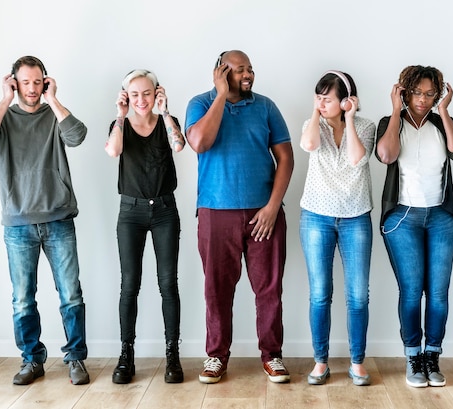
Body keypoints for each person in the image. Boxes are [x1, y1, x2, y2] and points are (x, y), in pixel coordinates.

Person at [0, 56, 90, 385]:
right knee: (23, 298)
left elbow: (77, 136)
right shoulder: (5, 118)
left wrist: (54, 100)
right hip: (18, 223)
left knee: (71, 295)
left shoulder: (54, 115)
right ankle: (31, 359)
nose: (33, 89)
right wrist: (5, 99)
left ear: (46, 82)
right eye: (26, 82)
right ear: (14, 82)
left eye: (38, 82)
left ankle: (76, 359)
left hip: (58, 219)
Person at [185, 50, 294, 384]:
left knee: (269, 289)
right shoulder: (200, 103)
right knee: (216, 289)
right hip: (216, 214)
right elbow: (200, 142)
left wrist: (273, 207)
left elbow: (286, 158)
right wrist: (220, 95)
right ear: (220, 72)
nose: (248, 75)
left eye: (250, 69)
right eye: (240, 70)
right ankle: (216, 356)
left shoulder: (266, 107)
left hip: (264, 214)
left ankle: (272, 355)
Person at [375, 65, 453, 388]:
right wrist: (394, 110)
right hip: (403, 218)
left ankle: (433, 354)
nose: (423, 99)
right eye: (417, 92)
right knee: (412, 291)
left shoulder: (440, 123)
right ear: (405, 91)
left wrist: (444, 111)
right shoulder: (391, 124)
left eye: (430, 94)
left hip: (441, 218)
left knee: (439, 293)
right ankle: (413, 355)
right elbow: (386, 155)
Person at [105, 69, 186, 384]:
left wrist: (165, 113)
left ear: (157, 93)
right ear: (126, 96)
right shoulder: (119, 126)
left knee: (168, 284)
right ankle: (126, 355)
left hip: (165, 209)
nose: (141, 99)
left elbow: (179, 146)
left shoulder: (168, 122)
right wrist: (120, 115)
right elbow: (113, 151)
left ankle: (172, 355)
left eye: (147, 93)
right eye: (134, 94)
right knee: (130, 284)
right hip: (131, 212)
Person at [299, 71, 375, 386]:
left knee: (358, 296)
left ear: (345, 99)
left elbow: (358, 159)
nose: (321, 102)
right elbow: (309, 144)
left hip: (356, 216)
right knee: (320, 294)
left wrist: (350, 117)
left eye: (327, 98)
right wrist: (318, 112)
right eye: (318, 97)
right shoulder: (311, 124)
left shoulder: (366, 126)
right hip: (316, 216)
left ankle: (357, 362)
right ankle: (321, 361)